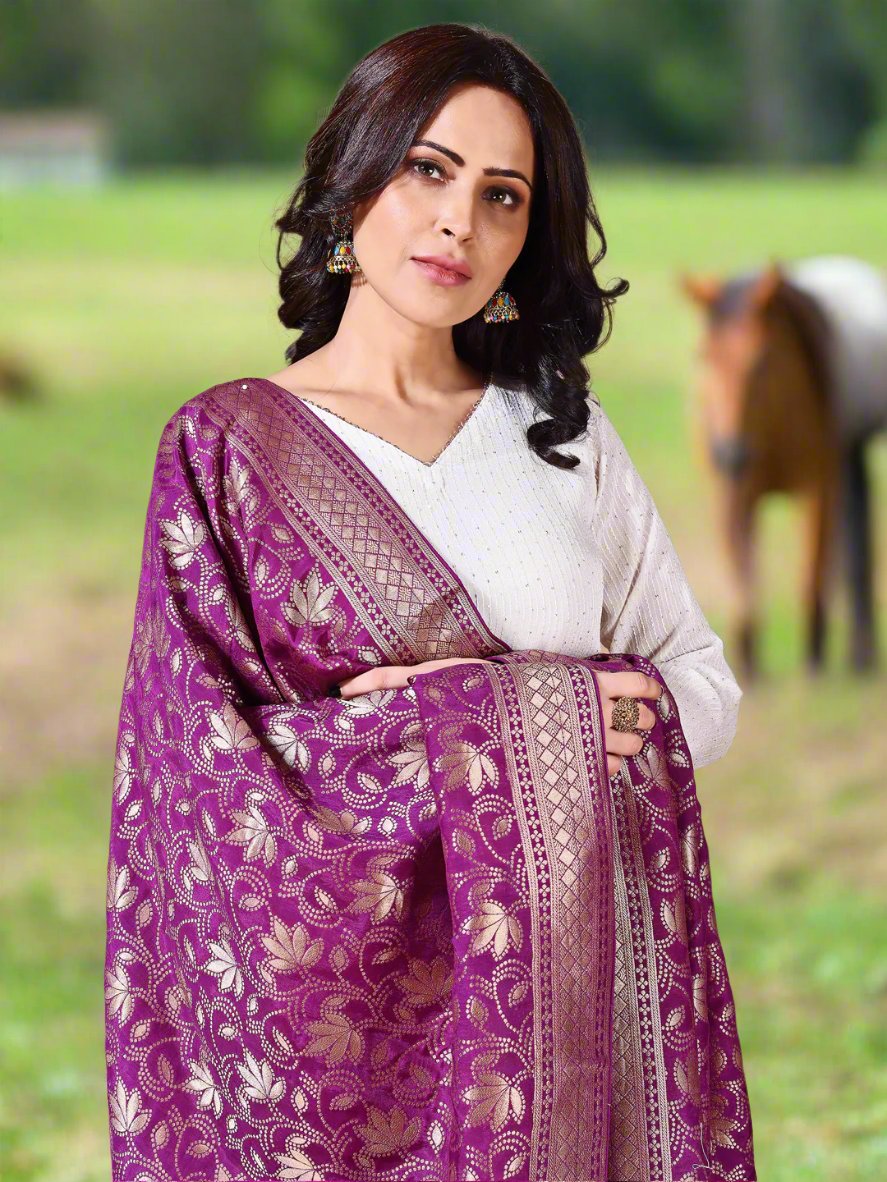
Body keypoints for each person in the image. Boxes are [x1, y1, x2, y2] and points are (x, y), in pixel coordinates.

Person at [105, 23, 755, 1182]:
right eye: (428, 170)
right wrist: (505, 726)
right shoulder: (227, 450)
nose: (460, 220)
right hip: (343, 1072)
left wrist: (497, 711)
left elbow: (700, 685)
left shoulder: (558, 439)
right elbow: (198, 792)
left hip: (576, 1020)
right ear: (357, 173)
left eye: (503, 196)